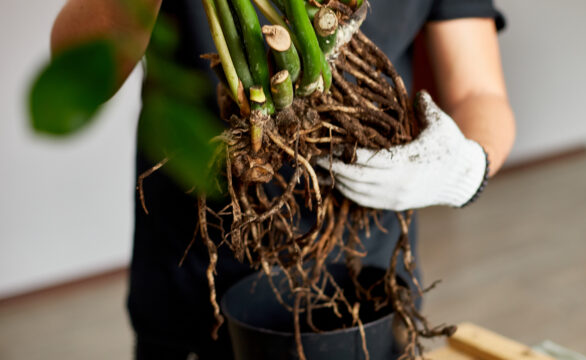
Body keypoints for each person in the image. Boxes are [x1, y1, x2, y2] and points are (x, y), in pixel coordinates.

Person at [51, 0, 515, 358]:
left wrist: (468, 167)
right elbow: (76, 72)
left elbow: (479, 91)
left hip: (361, 277)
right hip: (195, 278)